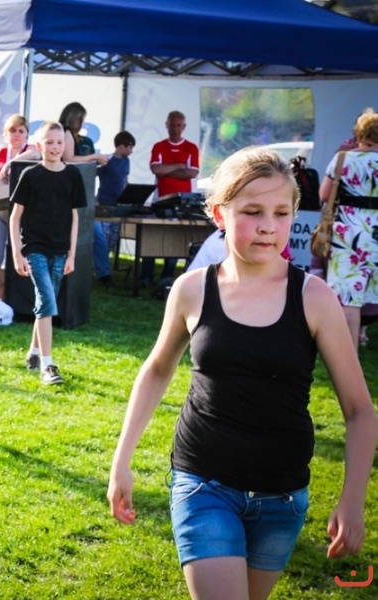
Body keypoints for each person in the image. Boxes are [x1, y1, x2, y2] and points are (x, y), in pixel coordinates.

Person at [107, 146, 377, 600]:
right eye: (252, 212)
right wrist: (122, 461)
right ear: (220, 213)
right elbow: (156, 370)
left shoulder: (315, 298)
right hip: (202, 482)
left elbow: (359, 411)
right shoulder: (192, 290)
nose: (269, 226)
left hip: (282, 494)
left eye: (281, 213)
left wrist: (353, 500)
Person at [9, 121, 85, 385]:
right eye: (49, 142)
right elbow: (15, 217)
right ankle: (47, 365)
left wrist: (72, 254)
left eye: (59, 142)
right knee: (47, 301)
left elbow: (75, 218)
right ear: (39, 146)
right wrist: (17, 254)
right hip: (34, 248)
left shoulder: (73, 175)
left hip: (60, 250)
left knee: (46, 303)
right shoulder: (30, 175)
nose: (55, 147)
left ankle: (33, 352)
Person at [322, 109, 378, 352]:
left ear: (360, 133)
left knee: (349, 300)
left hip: (349, 234)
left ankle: (348, 354)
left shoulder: (343, 159)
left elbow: (324, 195)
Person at [142, 110, 200, 286]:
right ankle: (146, 277)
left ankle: (167, 277)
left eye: (178, 125)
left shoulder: (191, 148)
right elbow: (156, 170)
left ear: (183, 127)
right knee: (151, 236)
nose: (174, 128)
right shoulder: (159, 146)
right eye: (172, 125)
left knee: (175, 238)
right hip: (160, 200)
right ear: (166, 125)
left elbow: (192, 173)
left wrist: (167, 170)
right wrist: (179, 166)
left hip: (181, 203)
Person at [0, 114, 29, 301]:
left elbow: (36, 154)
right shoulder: (0, 151)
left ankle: (18, 300)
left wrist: (11, 164)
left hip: (20, 212)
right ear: (5, 134)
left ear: (26, 134)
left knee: (18, 253)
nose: (16, 134)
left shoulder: (30, 149)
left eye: (21, 131)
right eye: (12, 130)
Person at [94, 130, 136, 287]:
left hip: (119, 205)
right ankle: (102, 271)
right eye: (130, 147)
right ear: (122, 145)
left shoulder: (126, 162)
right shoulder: (107, 160)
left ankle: (105, 268)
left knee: (113, 239)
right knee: (103, 238)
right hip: (105, 204)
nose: (131, 151)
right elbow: (94, 174)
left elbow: (125, 179)